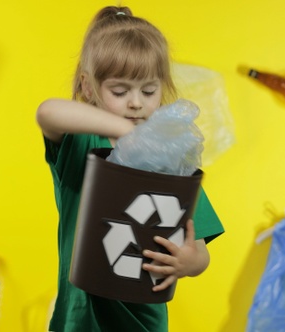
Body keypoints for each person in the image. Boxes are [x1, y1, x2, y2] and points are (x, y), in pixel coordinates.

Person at [36, 6, 224, 332]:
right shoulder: (81, 145)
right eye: (120, 91)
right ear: (88, 86)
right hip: (80, 317)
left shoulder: (172, 161)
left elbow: (200, 251)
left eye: (148, 91)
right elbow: (48, 112)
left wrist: (190, 263)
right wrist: (127, 132)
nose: (136, 103)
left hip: (144, 321)